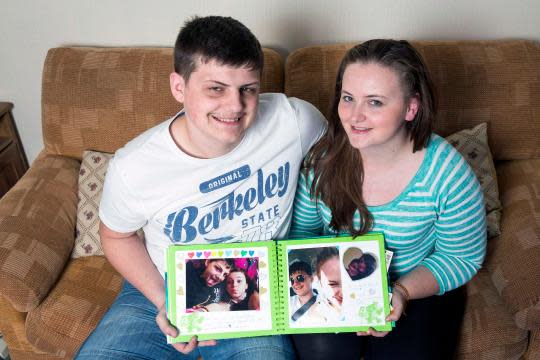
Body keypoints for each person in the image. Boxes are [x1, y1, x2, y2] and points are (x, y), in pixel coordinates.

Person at [75, 15, 326, 360]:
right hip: (161, 285)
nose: (235, 106)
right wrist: (165, 301)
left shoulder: (295, 121)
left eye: (247, 89)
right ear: (179, 87)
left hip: (255, 292)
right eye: (216, 88)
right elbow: (117, 235)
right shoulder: (134, 165)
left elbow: (345, 166)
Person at [289, 39, 487, 360]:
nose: (355, 116)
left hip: (415, 285)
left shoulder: (447, 173)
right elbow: (302, 234)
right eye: (348, 98)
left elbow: (462, 257)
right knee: (324, 352)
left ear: (411, 107)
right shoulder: (322, 159)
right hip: (335, 286)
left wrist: (402, 292)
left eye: (375, 102)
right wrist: (331, 289)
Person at [289, 259, 340, 325]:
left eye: (300, 278)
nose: (295, 283)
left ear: (312, 279)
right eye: (292, 280)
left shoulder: (325, 302)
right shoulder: (287, 303)